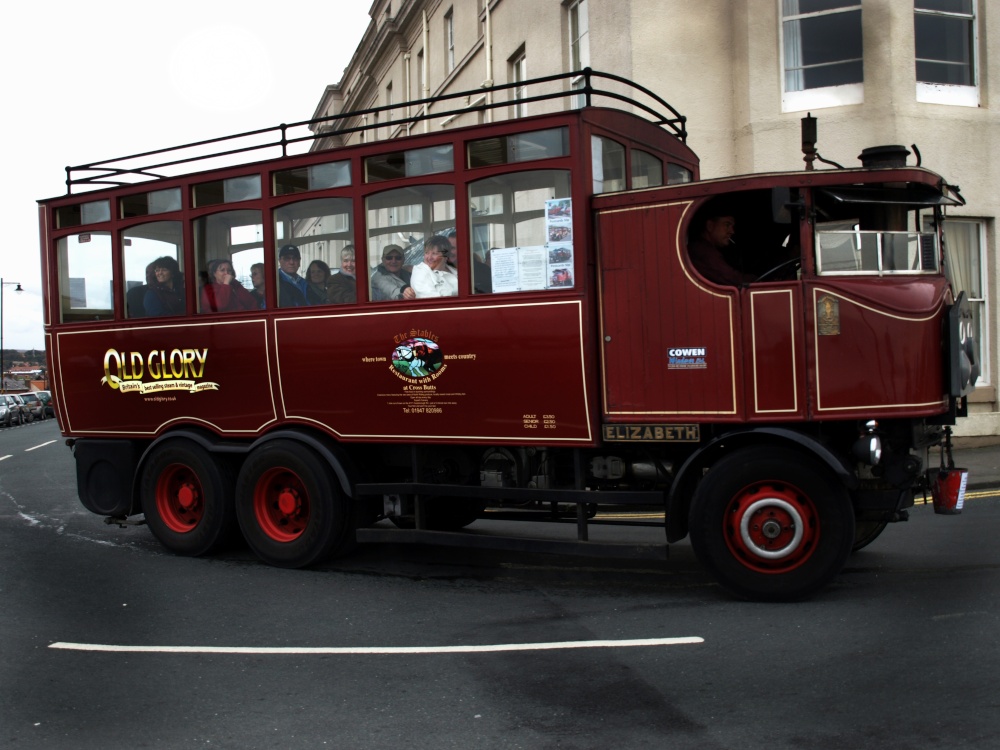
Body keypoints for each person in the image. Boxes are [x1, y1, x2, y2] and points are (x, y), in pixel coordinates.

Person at [687, 205, 755, 286]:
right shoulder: (703, 251)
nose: (732, 231)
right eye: (727, 224)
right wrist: (758, 280)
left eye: (732, 226)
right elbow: (731, 278)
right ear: (710, 226)